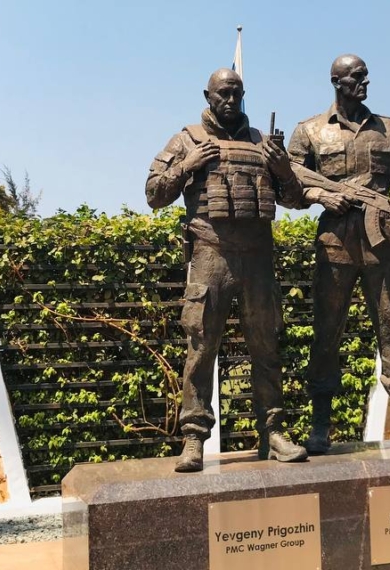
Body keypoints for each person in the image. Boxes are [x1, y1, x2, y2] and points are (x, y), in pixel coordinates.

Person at [145, 68, 308, 472]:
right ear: (207, 94)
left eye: (237, 93)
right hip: (210, 255)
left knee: (266, 347)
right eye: (222, 94)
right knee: (201, 350)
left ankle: (273, 432)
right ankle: (193, 438)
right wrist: (187, 165)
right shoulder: (187, 139)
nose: (230, 101)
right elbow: (153, 194)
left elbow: (297, 199)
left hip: (257, 259)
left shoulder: (261, 142)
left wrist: (282, 167)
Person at [289, 54, 390, 453]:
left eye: (365, 75)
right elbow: (287, 186)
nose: (365, 82)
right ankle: (320, 424)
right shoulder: (309, 131)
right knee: (326, 335)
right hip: (335, 244)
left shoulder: (387, 129)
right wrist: (321, 194)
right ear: (336, 81)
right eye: (356, 76)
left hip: (383, 244)